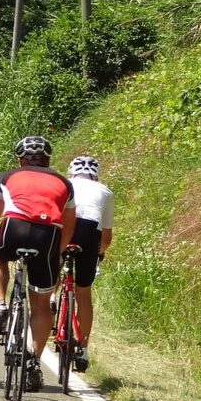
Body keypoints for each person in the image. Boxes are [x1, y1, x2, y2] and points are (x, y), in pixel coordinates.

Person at [0, 136, 75, 392]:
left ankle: (0, 305)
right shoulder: (64, 182)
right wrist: (59, 252)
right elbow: (69, 224)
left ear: (20, 159)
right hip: (49, 235)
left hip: (15, 227)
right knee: (42, 305)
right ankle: (33, 359)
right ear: (48, 160)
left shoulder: (7, 176)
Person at [64, 155, 114, 372]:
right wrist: (99, 253)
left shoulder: (65, 184)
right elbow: (107, 235)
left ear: (71, 172)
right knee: (83, 293)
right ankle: (83, 349)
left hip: (65, 226)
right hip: (89, 231)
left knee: (49, 276)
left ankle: (53, 301)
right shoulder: (105, 191)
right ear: (96, 175)